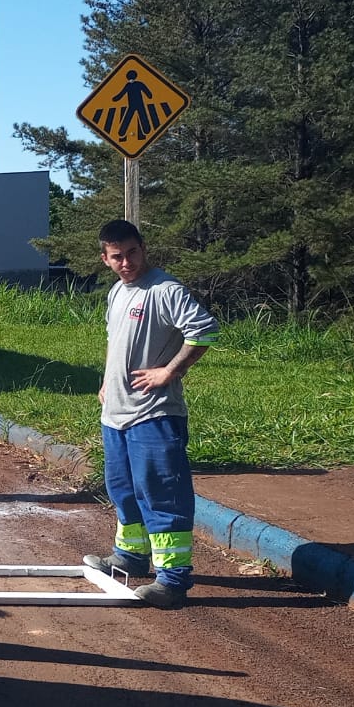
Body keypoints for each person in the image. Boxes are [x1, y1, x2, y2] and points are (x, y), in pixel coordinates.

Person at [84, 220, 219, 609]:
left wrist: (169, 371)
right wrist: (108, 382)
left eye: (132, 253)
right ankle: (130, 557)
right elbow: (117, 343)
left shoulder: (166, 290)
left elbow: (205, 331)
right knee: (123, 492)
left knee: (163, 495)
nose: (126, 262)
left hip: (155, 415)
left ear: (143, 249)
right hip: (116, 415)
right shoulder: (116, 292)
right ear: (105, 259)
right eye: (116, 256)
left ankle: (173, 580)